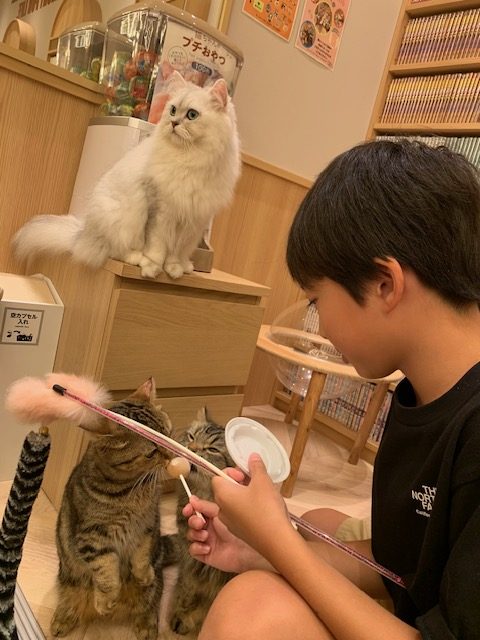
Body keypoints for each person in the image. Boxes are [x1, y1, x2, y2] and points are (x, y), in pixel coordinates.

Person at [183, 140, 480, 639]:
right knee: (315, 522)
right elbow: (402, 568)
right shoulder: (423, 392)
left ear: (385, 284)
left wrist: (280, 545)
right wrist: (261, 548)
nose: (320, 325)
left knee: (250, 609)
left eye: (316, 301)